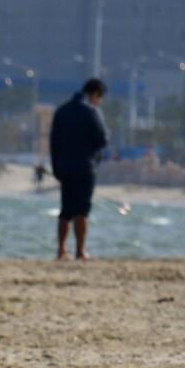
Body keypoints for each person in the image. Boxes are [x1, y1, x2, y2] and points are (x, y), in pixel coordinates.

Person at [49, 78, 110, 261]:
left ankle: (61, 251)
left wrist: (56, 168)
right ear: (95, 94)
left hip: (64, 167)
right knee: (82, 210)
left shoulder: (62, 111)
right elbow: (102, 139)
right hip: (85, 167)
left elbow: (54, 143)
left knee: (65, 210)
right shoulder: (92, 111)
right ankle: (80, 251)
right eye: (99, 98)